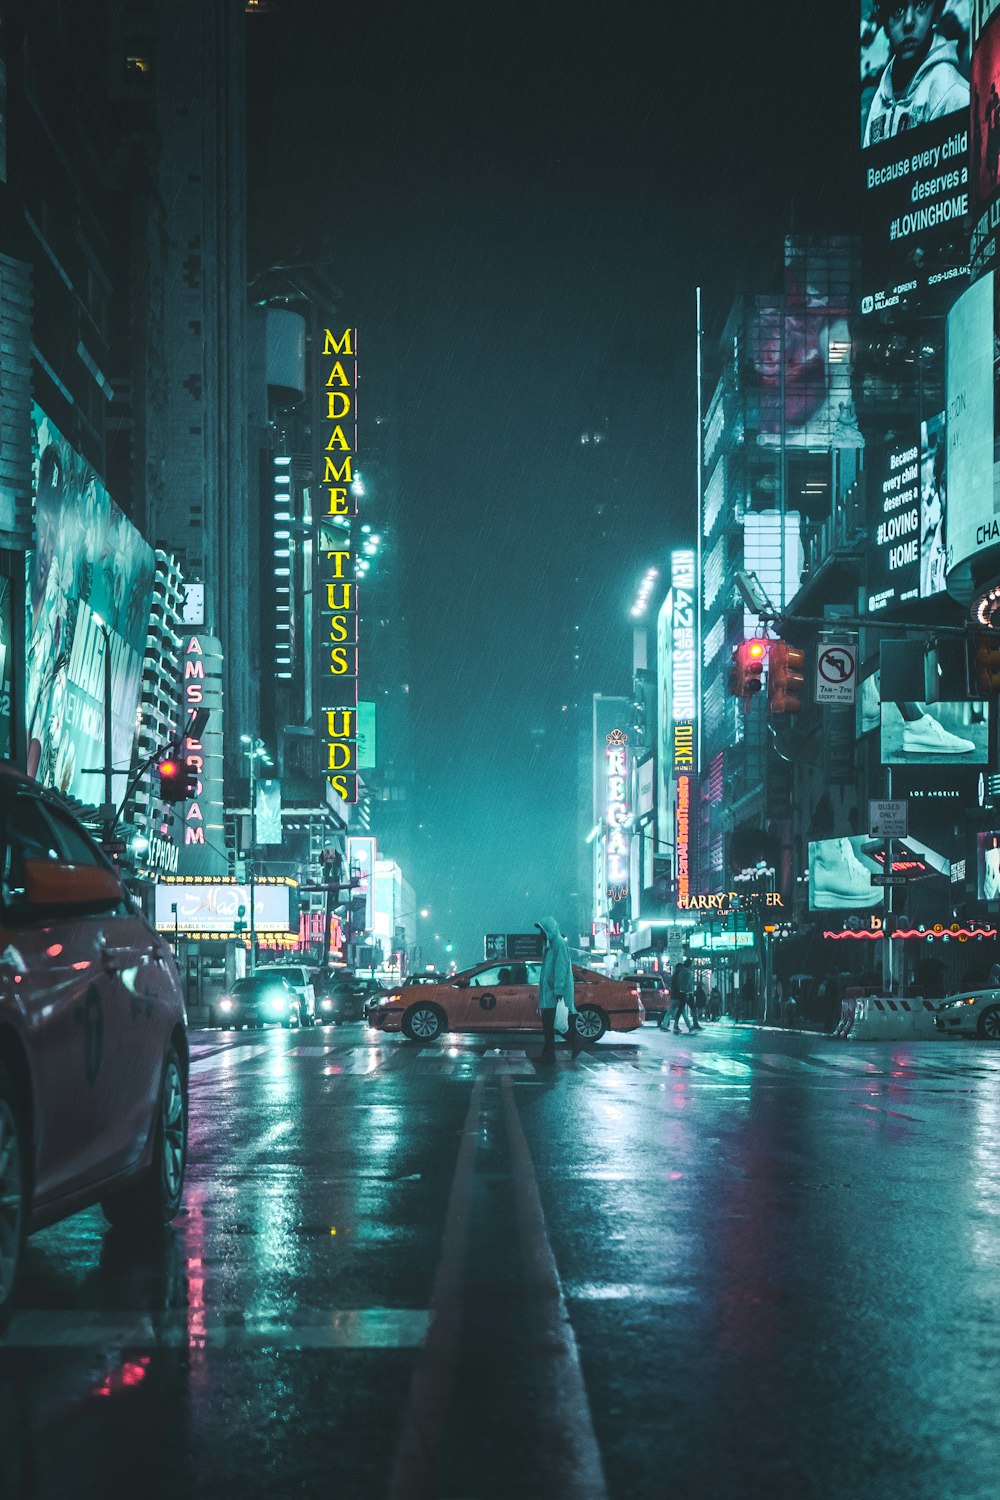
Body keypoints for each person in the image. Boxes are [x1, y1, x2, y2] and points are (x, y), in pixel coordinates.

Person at [863, 1, 969, 148]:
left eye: (921, 4)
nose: (908, 22)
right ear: (885, 22)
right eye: (897, 10)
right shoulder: (880, 98)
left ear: (936, 12)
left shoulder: (952, 92)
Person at [535, 917, 577, 1060]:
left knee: (552, 1026)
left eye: (542, 930)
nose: (540, 933)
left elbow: (561, 968)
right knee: (549, 1027)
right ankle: (548, 1055)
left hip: (554, 993)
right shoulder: (550, 945)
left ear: (549, 930)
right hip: (550, 993)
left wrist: (558, 990)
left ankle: (551, 1054)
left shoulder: (558, 944)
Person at [665, 952, 700, 1034]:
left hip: (682, 993)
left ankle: (678, 1025)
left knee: (681, 1010)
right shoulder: (687, 972)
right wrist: (687, 993)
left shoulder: (681, 972)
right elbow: (686, 984)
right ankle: (693, 1025)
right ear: (689, 965)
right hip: (687, 993)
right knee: (689, 1009)